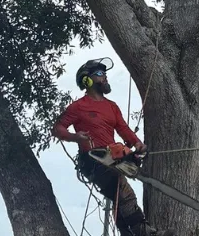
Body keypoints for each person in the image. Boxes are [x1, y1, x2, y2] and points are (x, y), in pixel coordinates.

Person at [53, 58, 157, 236]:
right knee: (123, 191)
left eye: (105, 74)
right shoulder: (78, 107)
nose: (105, 78)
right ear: (88, 80)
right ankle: (144, 232)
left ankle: (128, 233)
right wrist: (74, 137)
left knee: (117, 198)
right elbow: (57, 128)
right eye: (100, 74)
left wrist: (137, 144)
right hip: (93, 159)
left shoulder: (112, 107)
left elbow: (123, 128)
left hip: (112, 158)